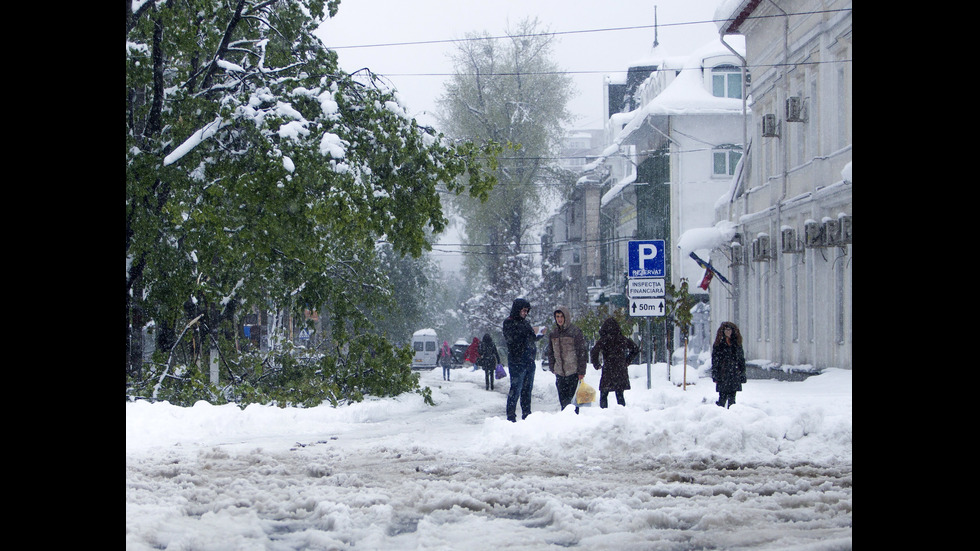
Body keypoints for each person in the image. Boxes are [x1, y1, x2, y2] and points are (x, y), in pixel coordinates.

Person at [502, 298, 543, 421]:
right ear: (517, 309)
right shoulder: (509, 323)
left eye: (527, 311)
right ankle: (511, 416)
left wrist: (538, 334)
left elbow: (530, 338)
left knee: (527, 390)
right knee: (516, 389)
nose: (525, 313)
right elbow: (513, 340)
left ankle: (527, 414)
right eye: (524, 311)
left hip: (529, 361)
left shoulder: (525, 323)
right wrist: (527, 334)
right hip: (517, 362)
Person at [590, 317, 640, 408]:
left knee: (604, 393)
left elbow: (594, 351)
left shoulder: (604, 340)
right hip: (620, 369)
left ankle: (604, 411)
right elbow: (635, 349)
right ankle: (622, 412)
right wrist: (627, 361)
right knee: (620, 394)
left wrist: (597, 364)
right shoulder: (622, 339)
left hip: (608, 369)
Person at [547, 306, 588, 413]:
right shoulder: (553, 334)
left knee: (573, 403)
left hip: (573, 372)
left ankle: (574, 423)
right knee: (563, 403)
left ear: (566, 317)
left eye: (561, 316)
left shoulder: (575, 332)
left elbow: (582, 352)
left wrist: (581, 371)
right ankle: (565, 424)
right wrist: (553, 367)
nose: (559, 319)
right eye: (557, 317)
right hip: (560, 373)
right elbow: (550, 352)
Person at [711, 321, 746, 408]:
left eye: (730, 330)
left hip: (734, 373)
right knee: (722, 398)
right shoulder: (719, 344)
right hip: (723, 374)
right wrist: (715, 374)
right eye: (726, 330)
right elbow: (715, 360)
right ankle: (720, 414)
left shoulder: (736, 343)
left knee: (732, 399)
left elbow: (741, 359)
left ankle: (731, 415)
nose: (728, 332)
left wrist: (742, 373)